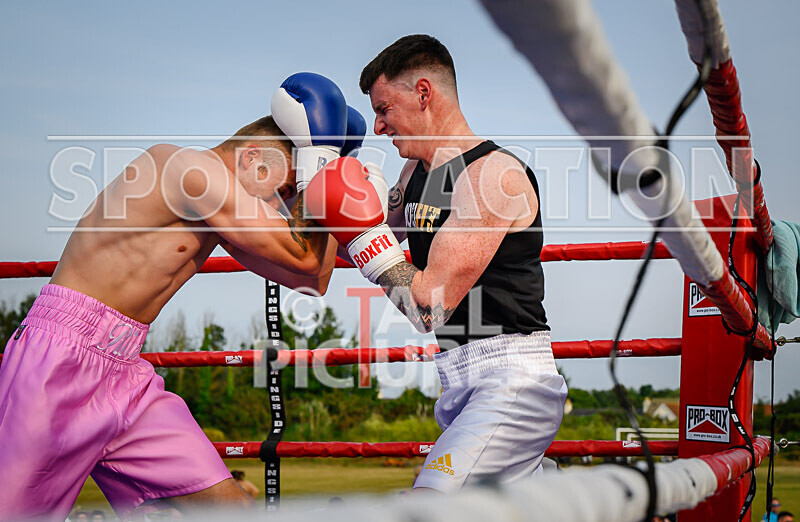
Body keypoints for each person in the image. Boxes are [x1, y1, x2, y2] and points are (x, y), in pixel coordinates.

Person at [0, 73, 360, 519]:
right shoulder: (189, 170)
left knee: (229, 509)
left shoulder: (218, 217)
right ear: (252, 157)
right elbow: (304, 257)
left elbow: (311, 279)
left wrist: (329, 178)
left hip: (126, 375)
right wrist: (321, 165)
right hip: (58, 359)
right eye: (284, 189)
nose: (283, 206)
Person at [310, 34, 567, 492]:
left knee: (432, 502)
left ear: (423, 93)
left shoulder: (492, 176)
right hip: (459, 377)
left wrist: (364, 236)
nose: (379, 127)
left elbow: (428, 305)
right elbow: (350, 230)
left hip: (512, 382)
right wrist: (322, 172)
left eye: (385, 108)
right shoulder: (415, 175)